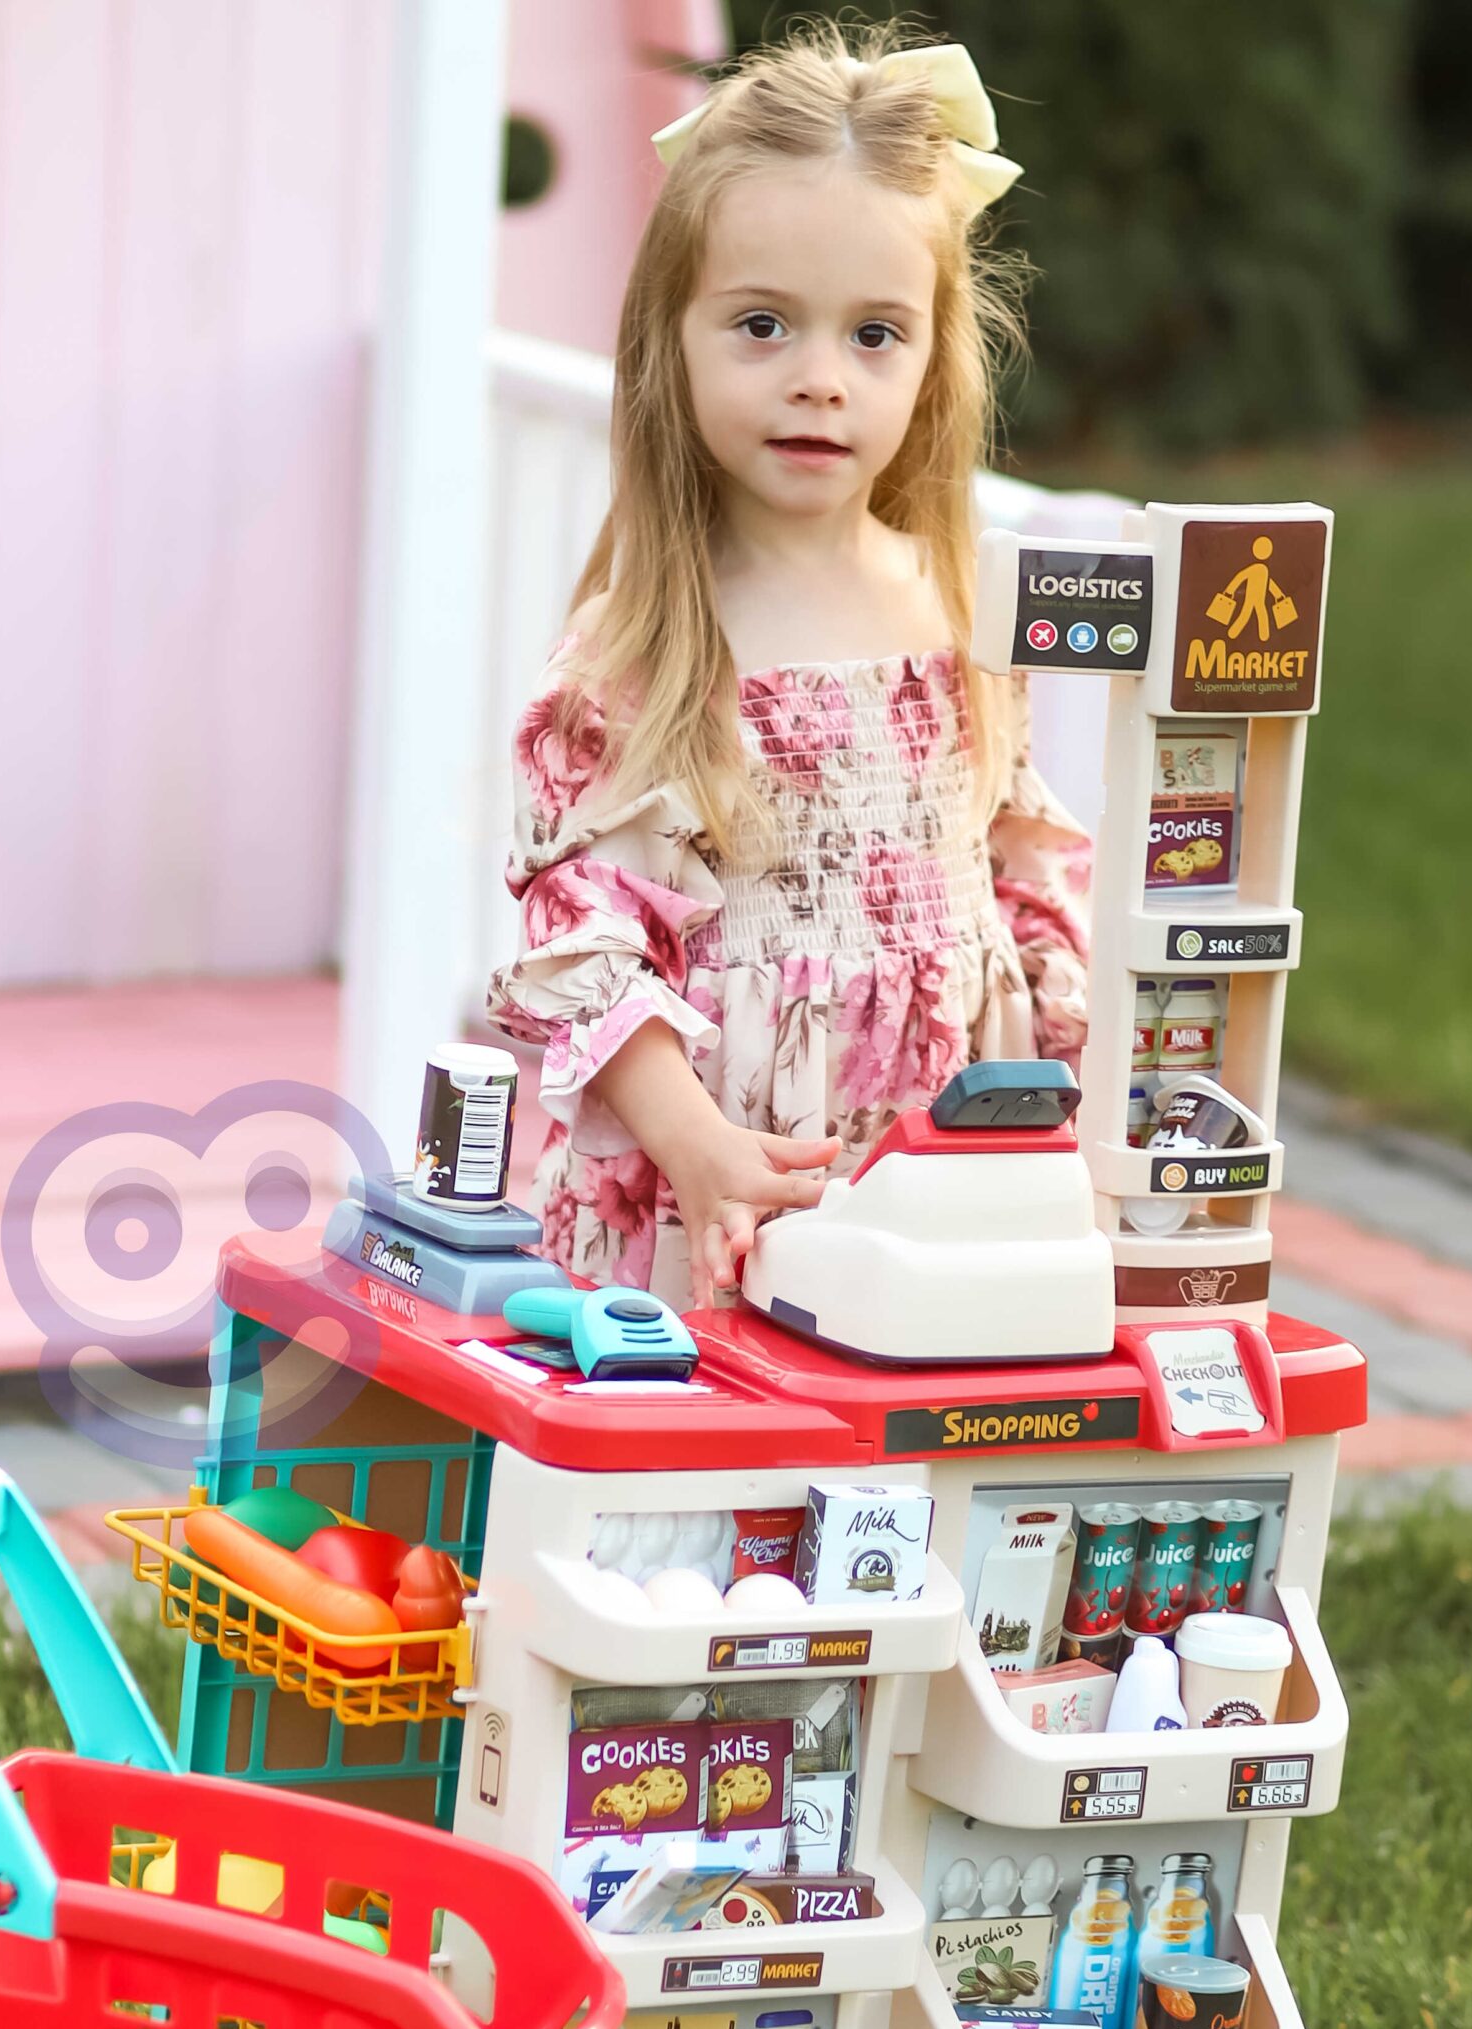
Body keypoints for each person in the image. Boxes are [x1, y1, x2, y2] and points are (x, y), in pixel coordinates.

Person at [487, 32, 1092, 1308]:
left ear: (933, 357)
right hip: (722, 1192)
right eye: (762, 325)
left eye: (874, 335)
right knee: (734, 1437)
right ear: (673, 338)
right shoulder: (646, 643)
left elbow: (1017, 877)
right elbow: (590, 947)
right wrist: (700, 1150)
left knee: (917, 1424)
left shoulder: (964, 611)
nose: (820, 381)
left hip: (939, 1194)